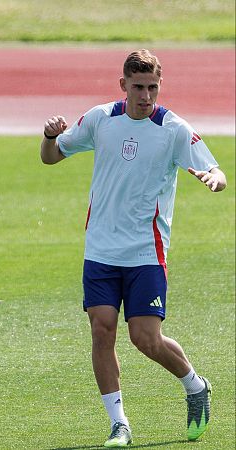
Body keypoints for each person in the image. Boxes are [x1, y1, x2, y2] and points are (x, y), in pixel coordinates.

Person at [40, 49, 226, 447]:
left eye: (153, 87)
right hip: (100, 250)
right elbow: (52, 157)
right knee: (101, 331)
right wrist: (50, 136)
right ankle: (118, 423)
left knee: (145, 338)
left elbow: (216, 168)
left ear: (160, 86)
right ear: (123, 84)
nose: (146, 95)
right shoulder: (100, 120)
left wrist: (214, 178)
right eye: (138, 87)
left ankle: (195, 385)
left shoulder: (173, 129)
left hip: (146, 252)